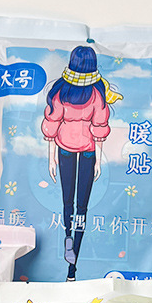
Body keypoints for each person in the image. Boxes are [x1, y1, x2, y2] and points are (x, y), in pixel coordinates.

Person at [41, 46, 120, 280]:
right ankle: (73, 264)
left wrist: (51, 157)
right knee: (82, 207)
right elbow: (99, 127)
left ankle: (67, 236)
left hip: (64, 149)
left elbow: (51, 125)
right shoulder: (97, 93)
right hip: (88, 152)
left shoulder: (60, 92)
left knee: (67, 201)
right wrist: (98, 161)